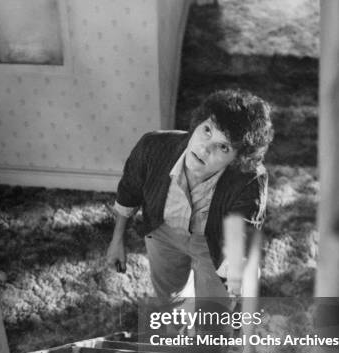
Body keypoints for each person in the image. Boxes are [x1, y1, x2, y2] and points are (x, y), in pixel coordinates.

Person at [106, 89, 273, 302]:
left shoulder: (249, 179)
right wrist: (117, 239)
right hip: (163, 233)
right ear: (197, 124)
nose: (204, 149)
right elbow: (128, 193)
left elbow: (241, 230)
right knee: (171, 300)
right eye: (207, 130)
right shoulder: (152, 147)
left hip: (212, 244)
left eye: (223, 147)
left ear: (236, 159)